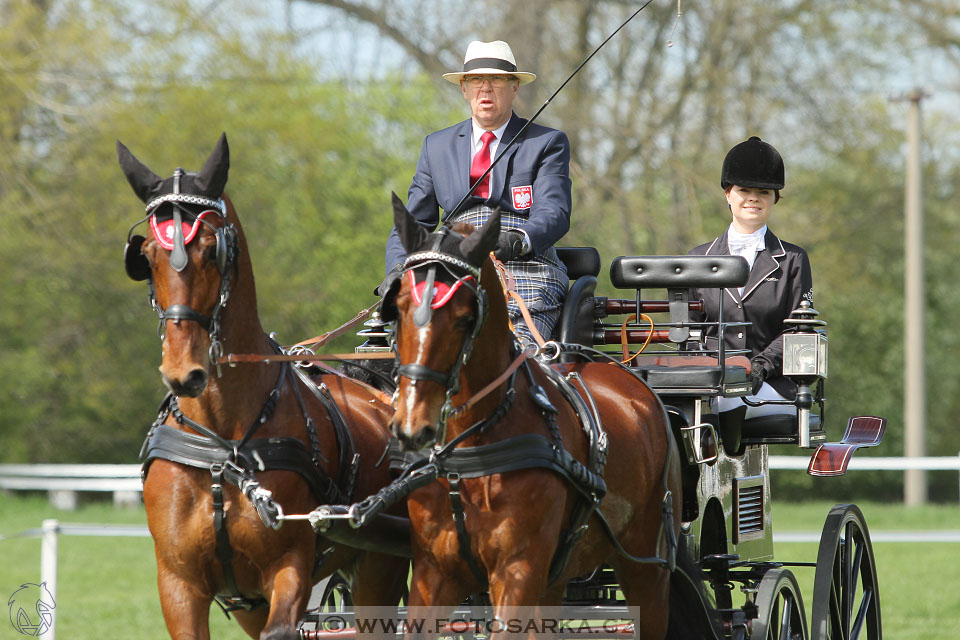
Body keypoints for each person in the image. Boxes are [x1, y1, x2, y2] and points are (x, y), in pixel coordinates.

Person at [382, 40, 572, 346]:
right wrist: (397, 268)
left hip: (523, 266)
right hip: (453, 265)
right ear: (464, 89)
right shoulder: (436, 146)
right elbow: (413, 222)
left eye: (496, 80)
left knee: (515, 353)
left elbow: (555, 213)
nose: (486, 89)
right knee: (401, 344)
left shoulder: (546, 142)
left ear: (514, 87)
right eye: (475, 80)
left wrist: (518, 239)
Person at [689, 136, 813, 417]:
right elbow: (689, 330)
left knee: (733, 403)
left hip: (770, 384)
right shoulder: (697, 259)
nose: (754, 198)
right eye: (744, 190)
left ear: (774, 199)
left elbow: (798, 330)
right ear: (728, 195)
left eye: (764, 191)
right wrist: (710, 371)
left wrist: (757, 367)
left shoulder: (793, 260)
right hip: (709, 383)